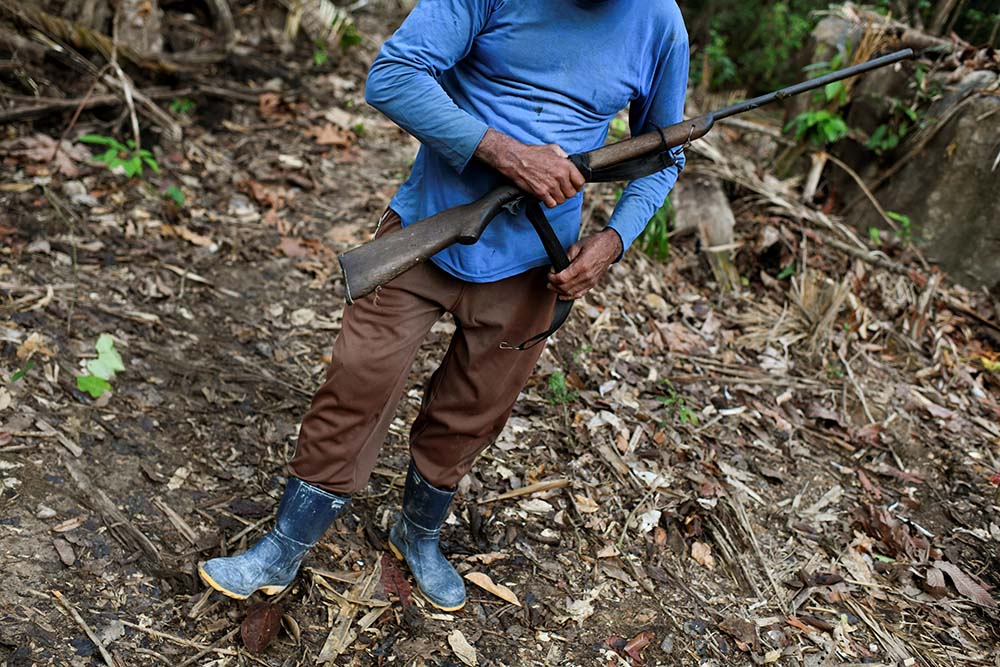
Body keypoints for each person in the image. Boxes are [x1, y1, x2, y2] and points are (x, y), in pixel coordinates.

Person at [199, 0, 689, 612]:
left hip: (537, 257)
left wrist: (613, 242)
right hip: (427, 225)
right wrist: (506, 154)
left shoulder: (659, 23)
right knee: (359, 379)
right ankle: (285, 543)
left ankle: (418, 533)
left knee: (475, 408)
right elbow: (393, 77)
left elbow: (664, 151)